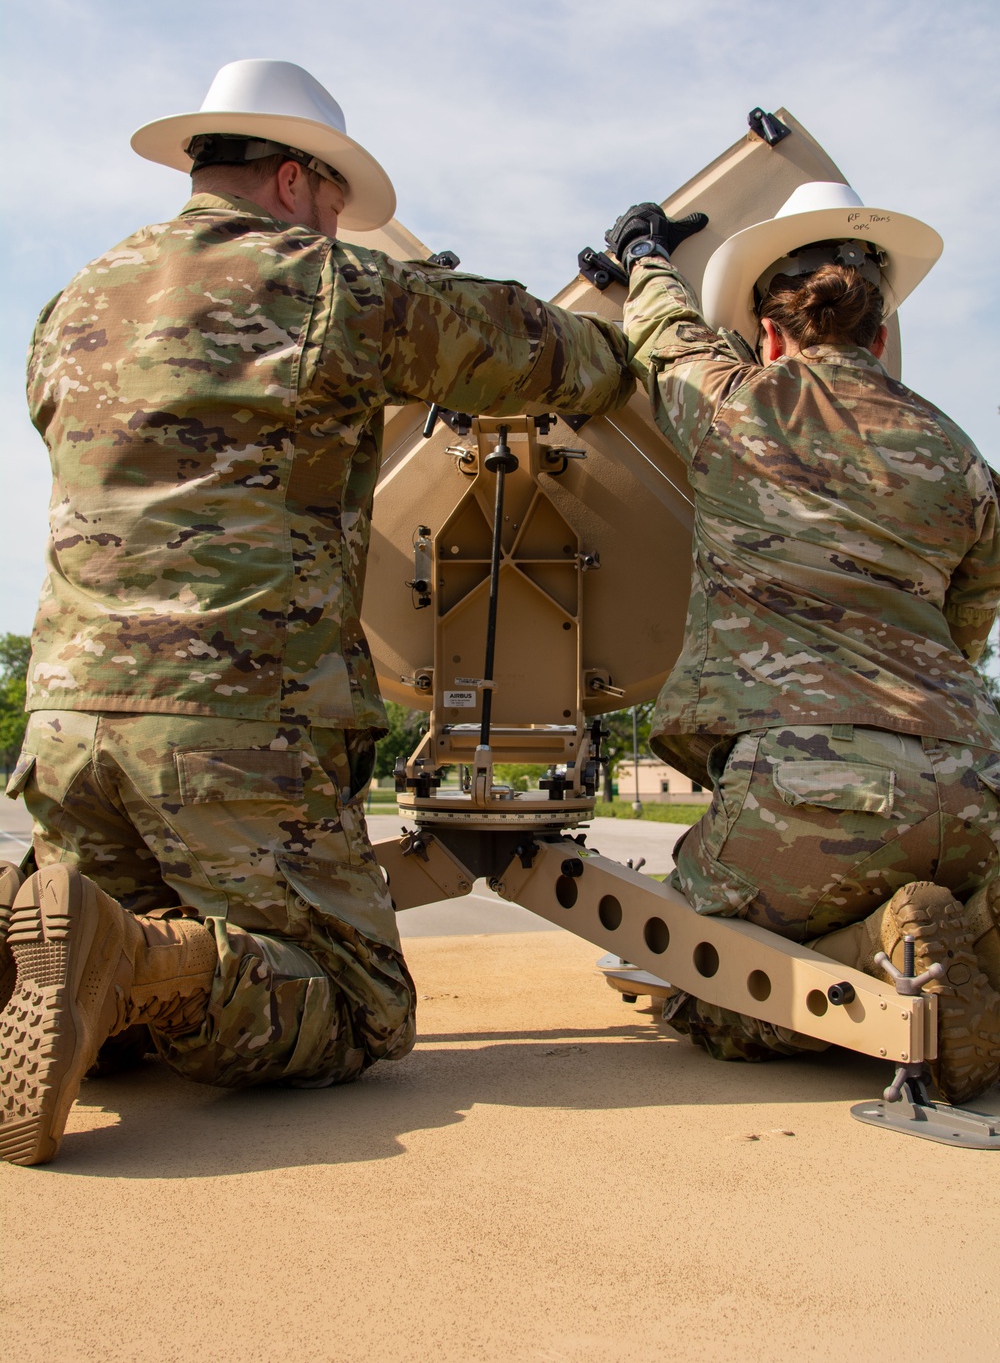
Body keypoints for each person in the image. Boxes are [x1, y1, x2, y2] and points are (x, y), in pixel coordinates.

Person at [0, 58, 653, 1168]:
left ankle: (86, 952)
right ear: (298, 181)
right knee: (351, 1008)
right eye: (339, 199)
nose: (342, 221)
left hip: (66, 730)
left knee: (116, 1011)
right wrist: (625, 325)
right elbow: (554, 361)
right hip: (234, 731)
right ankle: (133, 955)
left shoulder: (74, 301)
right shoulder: (325, 286)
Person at [606, 184, 1000, 1102]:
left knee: (697, 986)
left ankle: (880, 952)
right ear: (882, 334)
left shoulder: (739, 405)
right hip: (977, 783)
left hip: (810, 796)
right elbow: (968, 626)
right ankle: (970, 935)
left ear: (770, 332)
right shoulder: (962, 455)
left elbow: (664, 339)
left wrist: (644, 255)